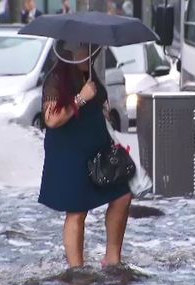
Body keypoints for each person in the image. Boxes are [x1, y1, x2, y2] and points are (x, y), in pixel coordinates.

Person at [38, 41, 132, 268]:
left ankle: (112, 258)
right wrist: (81, 98)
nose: (87, 55)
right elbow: (52, 119)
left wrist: (103, 109)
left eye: (90, 50)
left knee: (123, 195)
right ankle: (76, 268)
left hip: (97, 149)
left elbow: (98, 106)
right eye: (82, 50)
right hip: (69, 152)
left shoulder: (91, 76)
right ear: (69, 53)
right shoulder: (56, 79)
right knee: (77, 210)